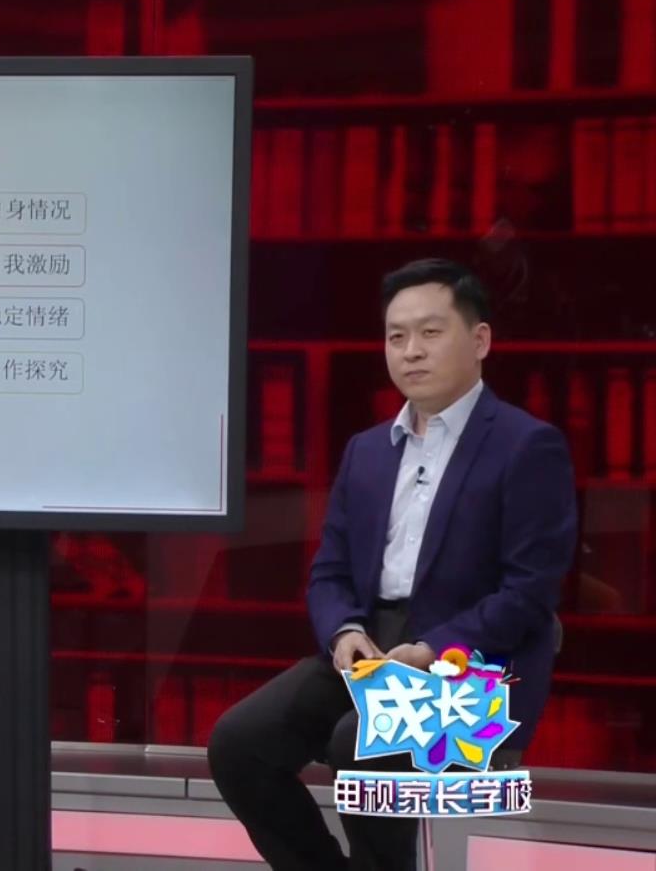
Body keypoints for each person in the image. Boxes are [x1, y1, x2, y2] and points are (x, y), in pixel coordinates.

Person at [207, 258, 578, 871]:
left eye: (431, 332)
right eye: (396, 336)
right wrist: (344, 632)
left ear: (480, 340)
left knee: (361, 744)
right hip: (373, 654)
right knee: (239, 744)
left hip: (472, 673)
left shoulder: (526, 446)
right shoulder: (367, 451)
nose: (411, 351)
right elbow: (329, 573)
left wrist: (432, 650)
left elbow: (529, 592)